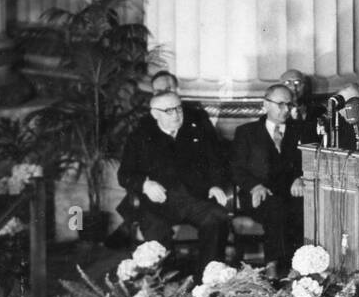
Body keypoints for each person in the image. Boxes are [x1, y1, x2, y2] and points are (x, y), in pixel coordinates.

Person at [117, 91, 232, 273]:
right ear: (155, 114)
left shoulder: (197, 132)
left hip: (194, 198)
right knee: (156, 235)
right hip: (158, 203)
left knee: (217, 219)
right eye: (169, 111)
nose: (177, 115)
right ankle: (166, 285)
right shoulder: (140, 137)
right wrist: (145, 185)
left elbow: (216, 163)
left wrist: (215, 185)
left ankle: (208, 280)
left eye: (179, 109)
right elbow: (124, 174)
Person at [231, 84, 311, 273]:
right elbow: (236, 169)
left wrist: (301, 177)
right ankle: (273, 267)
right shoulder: (246, 132)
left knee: (302, 211)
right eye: (280, 104)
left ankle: (298, 269)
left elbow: (311, 162)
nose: (286, 110)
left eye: (290, 105)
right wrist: (254, 186)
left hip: (292, 193)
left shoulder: (301, 130)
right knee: (275, 210)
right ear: (265, 105)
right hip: (257, 195)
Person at [145, 71, 219, 144]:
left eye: (168, 89)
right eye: (159, 92)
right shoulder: (146, 123)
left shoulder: (198, 117)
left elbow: (213, 149)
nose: (165, 94)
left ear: (178, 90)